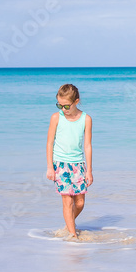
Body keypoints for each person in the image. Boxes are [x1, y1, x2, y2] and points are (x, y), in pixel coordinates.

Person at [46, 83, 93, 240]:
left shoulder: (86, 119)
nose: (63, 109)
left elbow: (87, 146)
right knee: (67, 201)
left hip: (78, 165)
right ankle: (73, 235)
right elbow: (49, 143)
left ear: (76, 101)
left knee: (79, 203)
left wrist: (89, 171)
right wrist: (50, 168)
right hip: (60, 165)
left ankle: (68, 225)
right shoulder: (56, 118)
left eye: (66, 106)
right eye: (59, 105)